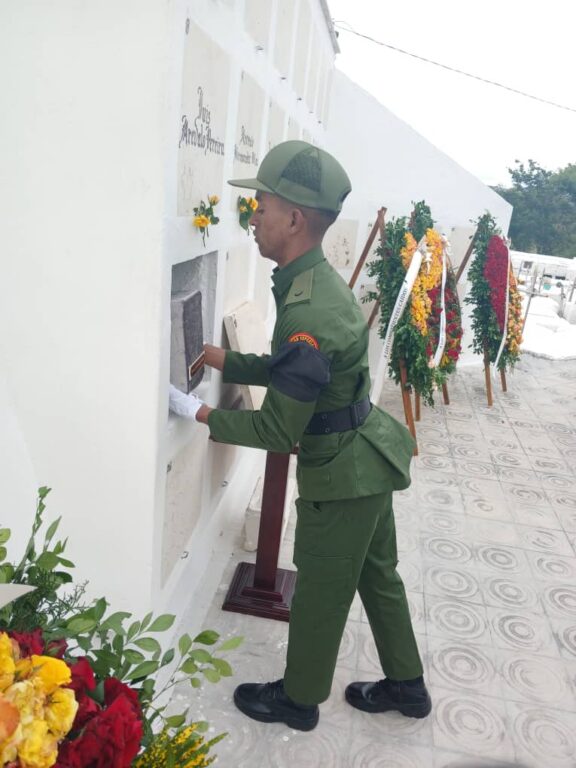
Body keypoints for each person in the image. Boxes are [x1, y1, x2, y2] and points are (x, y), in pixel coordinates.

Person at [169, 140, 431, 731]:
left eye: (260, 206)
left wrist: (199, 413)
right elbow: (297, 371)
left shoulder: (307, 309)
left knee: (320, 589)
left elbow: (275, 428)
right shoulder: (309, 282)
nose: (252, 217)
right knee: (376, 574)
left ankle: (299, 699)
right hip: (367, 456)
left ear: (293, 220)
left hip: (343, 474)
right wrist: (227, 360)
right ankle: (408, 686)